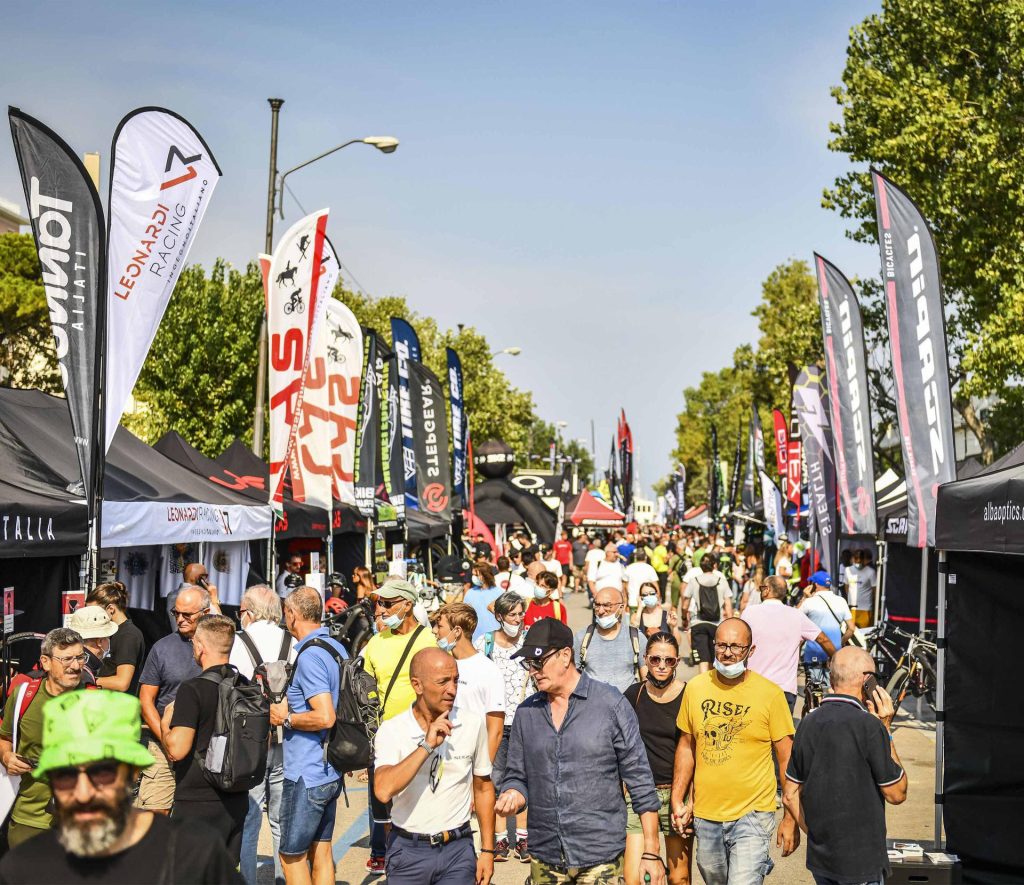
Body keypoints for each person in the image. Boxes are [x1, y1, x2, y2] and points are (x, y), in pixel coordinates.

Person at [0, 690, 240, 884]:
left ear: (133, 772)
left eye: (102, 772)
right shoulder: (23, 868)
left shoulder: (194, 856)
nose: (83, 793)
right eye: (66, 775)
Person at [496, 619, 667, 885]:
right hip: (545, 854)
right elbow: (516, 774)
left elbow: (640, 780)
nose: (533, 671)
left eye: (538, 662)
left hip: (600, 854)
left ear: (566, 655)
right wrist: (513, 793)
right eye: (528, 664)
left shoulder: (610, 704)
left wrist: (651, 852)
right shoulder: (526, 713)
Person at [671, 618, 799, 885]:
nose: (727, 653)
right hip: (706, 815)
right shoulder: (696, 688)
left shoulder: (770, 695)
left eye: (736, 647)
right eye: (721, 645)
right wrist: (678, 797)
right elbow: (686, 745)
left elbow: (788, 758)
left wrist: (791, 817)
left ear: (750, 651)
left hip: (752, 816)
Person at [783, 647, 907, 885]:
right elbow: (897, 793)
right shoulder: (870, 727)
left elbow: (789, 795)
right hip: (862, 863)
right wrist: (886, 728)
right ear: (867, 679)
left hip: (822, 861)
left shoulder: (808, 722)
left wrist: (818, 835)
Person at [373, 648, 496, 885]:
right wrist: (426, 746)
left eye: (456, 680)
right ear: (417, 685)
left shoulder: (471, 723)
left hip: (458, 850)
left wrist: (488, 852)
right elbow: (383, 790)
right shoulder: (392, 730)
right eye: (443, 682)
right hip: (408, 851)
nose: (452, 689)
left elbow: (483, 788)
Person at [267, 586, 348, 885]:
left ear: (292, 614)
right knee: (322, 852)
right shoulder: (336, 648)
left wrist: (285, 717)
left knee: (291, 856)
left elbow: (325, 715)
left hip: (306, 772)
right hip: (330, 768)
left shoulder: (310, 655)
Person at [361, 578, 438, 874]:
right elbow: (363, 689)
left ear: (407, 605)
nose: (382, 608)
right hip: (384, 738)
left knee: (421, 802)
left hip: (421, 735)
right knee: (384, 805)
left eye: (388, 603)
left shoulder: (426, 640)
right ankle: (394, 863)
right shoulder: (375, 642)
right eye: (379, 603)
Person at [161, 614, 250, 866]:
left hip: (197, 799)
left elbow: (177, 749)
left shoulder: (193, 689)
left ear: (200, 646)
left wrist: (165, 723)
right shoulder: (245, 686)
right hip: (236, 797)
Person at [230, 585, 296, 885]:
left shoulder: (238, 642)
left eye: (242, 611)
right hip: (286, 735)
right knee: (281, 817)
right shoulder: (290, 640)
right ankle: (284, 878)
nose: (240, 617)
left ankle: (249, 881)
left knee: (250, 816)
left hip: (249, 740)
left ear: (251, 613)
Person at [0, 627, 89, 846]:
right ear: (46, 662)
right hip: (27, 819)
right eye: (67, 659)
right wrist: (6, 757)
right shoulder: (23, 696)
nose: (76, 666)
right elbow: (5, 739)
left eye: (80, 657)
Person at [623, 633, 691, 885]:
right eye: (655, 659)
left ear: (677, 662)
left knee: (679, 878)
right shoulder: (633, 694)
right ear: (646, 660)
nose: (662, 665)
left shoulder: (689, 694)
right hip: (640, 795)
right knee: (634, 878)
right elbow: (620, 743)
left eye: (669, 660)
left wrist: (690, 800)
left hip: (677, 795)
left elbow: (696, 751)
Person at [136, 584, 207, 814]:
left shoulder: (218, 647)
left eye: (187, 614)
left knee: (196, 820)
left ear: (205, 613)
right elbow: (146, 700)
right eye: (176, 613)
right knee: (155, 816)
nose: (180, 619)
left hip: (203, 748)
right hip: (161, 745)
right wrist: (165, 739)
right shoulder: (162, 648)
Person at [474, 591, 531, 863]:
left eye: (521, 614)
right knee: (494, 781)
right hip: (494, 723)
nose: (518, 619)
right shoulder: (483, 643)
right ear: (499, 617)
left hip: (527, 720)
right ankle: (499, 840)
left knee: (525, 780)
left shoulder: (531, 640)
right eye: (512, 615)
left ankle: (523, 838)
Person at [742, 575, 836, 710]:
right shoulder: (796, 616)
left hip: (755, 687)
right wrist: (834, 658)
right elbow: (823, 639)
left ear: (767, 590)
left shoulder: (749, 613)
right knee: (782, 731)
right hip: (784, 689)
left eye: (762, 588)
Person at [432, 603, 505, 759]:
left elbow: (496, 730)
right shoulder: (440, 665)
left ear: (457, 631)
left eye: (439, 626)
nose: (434, 631)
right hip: (441, 758)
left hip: (472, 760)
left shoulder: (489, 670)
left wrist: (482, 770)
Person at [86, 581, 146, 694]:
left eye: (94, 612)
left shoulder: (129, 635)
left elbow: (122, 683)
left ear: (111, 609)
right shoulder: (110, 633)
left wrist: (87, 680)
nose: (91, 617)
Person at [797, 571, 854, 688]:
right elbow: (851, 629)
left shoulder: (809, 602)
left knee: (814, 688)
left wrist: (804, 597)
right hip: (834, 652)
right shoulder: (841, 601)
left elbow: (794, 618)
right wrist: (840, 642)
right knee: (832, 687)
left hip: (813, 652)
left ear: (815, 585)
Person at [682, 554, 733, 673]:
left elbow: (685, 604)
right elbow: (728, 605)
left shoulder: (694, 581)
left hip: (698, 623)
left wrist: (684, 618)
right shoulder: (722, 581)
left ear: (701, 566)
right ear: (714, 565)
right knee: (715, 658)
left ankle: (703, 689)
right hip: (717, 624)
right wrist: (730, 623)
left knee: (703, 659)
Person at [67, 605, 118, 681]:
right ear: (100, 641)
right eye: (108, 637)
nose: (109, 641)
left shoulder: (67, 660)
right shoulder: (85, 674)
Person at [462, 563, 501, 642]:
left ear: (484, 575)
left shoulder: (499, 593)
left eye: (476, 575)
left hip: (495, 637)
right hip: (475, 638)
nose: (473, 577)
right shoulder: (470, 593)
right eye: (472, 575)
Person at [845, 549, 878, 628]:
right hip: (852, 608)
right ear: (853, 558)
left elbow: (875, 590)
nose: (858, 561)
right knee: (850, 632)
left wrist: (873, 604)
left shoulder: (871, 572)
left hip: (865, 608)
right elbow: (846, 587)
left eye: (860, 559)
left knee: (864, 633)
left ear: (864, 559)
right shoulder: (848, 570)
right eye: (856, 558)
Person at [624, 549, 660, 615]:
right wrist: (658, 601)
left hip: (633, 602)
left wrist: (626, 602)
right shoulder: (650, 568)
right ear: (646, 557)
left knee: (634, 624)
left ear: (635, 557)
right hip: (648, 603)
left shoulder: (629, 568)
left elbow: (625, 587)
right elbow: (656, 588)